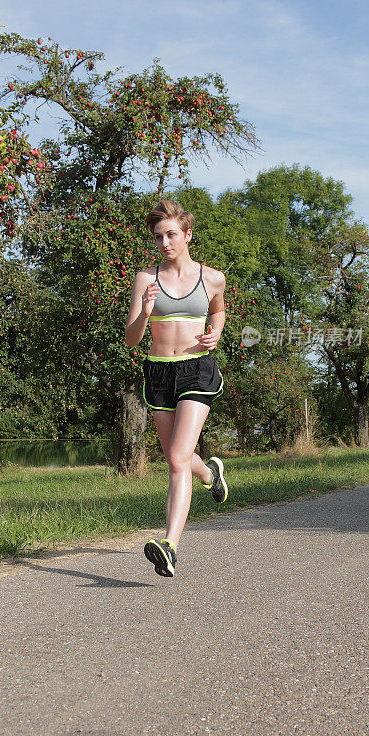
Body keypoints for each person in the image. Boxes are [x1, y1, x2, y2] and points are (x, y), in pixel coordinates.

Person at [125, 199, 228, 578]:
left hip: (197, 371)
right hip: (159, 372)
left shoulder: (212, 277)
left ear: (187, 235)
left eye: (171, 235)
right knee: (178, 457)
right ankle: (209, 474)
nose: (164, 243)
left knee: (175, 457)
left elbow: (218, 309)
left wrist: (215, 333)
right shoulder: (145, 279)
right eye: (158, 237)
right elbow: (131, 340)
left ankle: (169, 545)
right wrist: (147, 313)